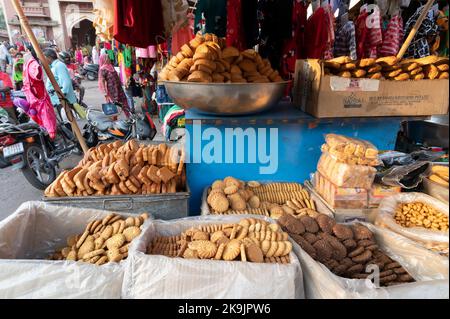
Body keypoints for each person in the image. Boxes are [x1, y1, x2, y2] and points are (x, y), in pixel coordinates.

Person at [43, 48, 78, 122]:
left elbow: (66, 83)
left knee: (69, 124)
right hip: (59, 101)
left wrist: (62, 96)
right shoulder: (54, 66)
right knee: (66, 124)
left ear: (48, 57)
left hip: (63, 100)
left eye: (43, 57)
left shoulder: (59, 65)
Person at [98, 53, 131, 118]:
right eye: (107, 58)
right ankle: (114, 121)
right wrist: (105, 93)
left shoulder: (111, 66)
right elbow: (101, 81)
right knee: (113, 106)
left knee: (124, 102)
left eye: (108, 57)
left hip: (118, 88)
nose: (108, 59)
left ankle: (129, 116)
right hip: (111, 90)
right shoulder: (102, 69)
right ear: (103, 59)